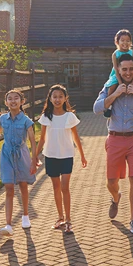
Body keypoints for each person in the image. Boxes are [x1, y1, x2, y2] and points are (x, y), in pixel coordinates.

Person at [93, 53, 133, 234]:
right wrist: (115, 94)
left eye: (131, 69)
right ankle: (115, 197)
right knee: (111, 181)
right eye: (124, 69)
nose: (128, 73)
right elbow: (96, 108)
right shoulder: (110, 86)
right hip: (114, 139)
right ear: (118, 71)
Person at [32, 84, 87, 233]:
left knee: (64, 187)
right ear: (50, 98)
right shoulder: (46, 117)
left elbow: (76, 137)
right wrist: (35, 156)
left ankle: (68, 220)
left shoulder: (70, 116)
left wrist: (82, 155)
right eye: (54, 97)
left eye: (60, 96)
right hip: (51, 156)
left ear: (65, 98)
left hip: (67, 156)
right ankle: (60, 217)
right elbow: (42, 138)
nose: (57, 99)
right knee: (56, 187)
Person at [0, 88, 36, 237]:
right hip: (6, 155)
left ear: (22, 101)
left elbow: (32, 140)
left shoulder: (26, 121)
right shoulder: (2, 118)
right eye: (10, 98)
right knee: (9, 187)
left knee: (23, 185)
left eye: (16, 98)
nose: (13, 101)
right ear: (6, 102)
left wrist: (34, 159)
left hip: (21, 155)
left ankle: (25, 215)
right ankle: (8, 224)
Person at [103, 30, 133, 117]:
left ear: (131, 42)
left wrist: (132, 83)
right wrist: (120, 83)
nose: (125, 43)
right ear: (117, 42)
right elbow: (116, 70)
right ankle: (109, 106)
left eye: (128, 41)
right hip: (117, 74)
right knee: (112, 87)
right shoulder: (115, 54)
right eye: (122, 40)